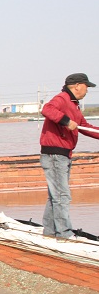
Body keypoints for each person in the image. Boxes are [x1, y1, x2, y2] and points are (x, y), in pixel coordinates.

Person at [40, 73, 99, 239]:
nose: (87, 90)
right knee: (62, 195)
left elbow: (84, 126)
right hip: (54, 154)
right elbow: (47, 109)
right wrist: (66, 121)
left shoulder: (74, 105)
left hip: (63, 154)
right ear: (77, 85)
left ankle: (50, 231)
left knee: (55, 195)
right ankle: (64, 234)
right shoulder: (62, 98)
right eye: (87, 86)